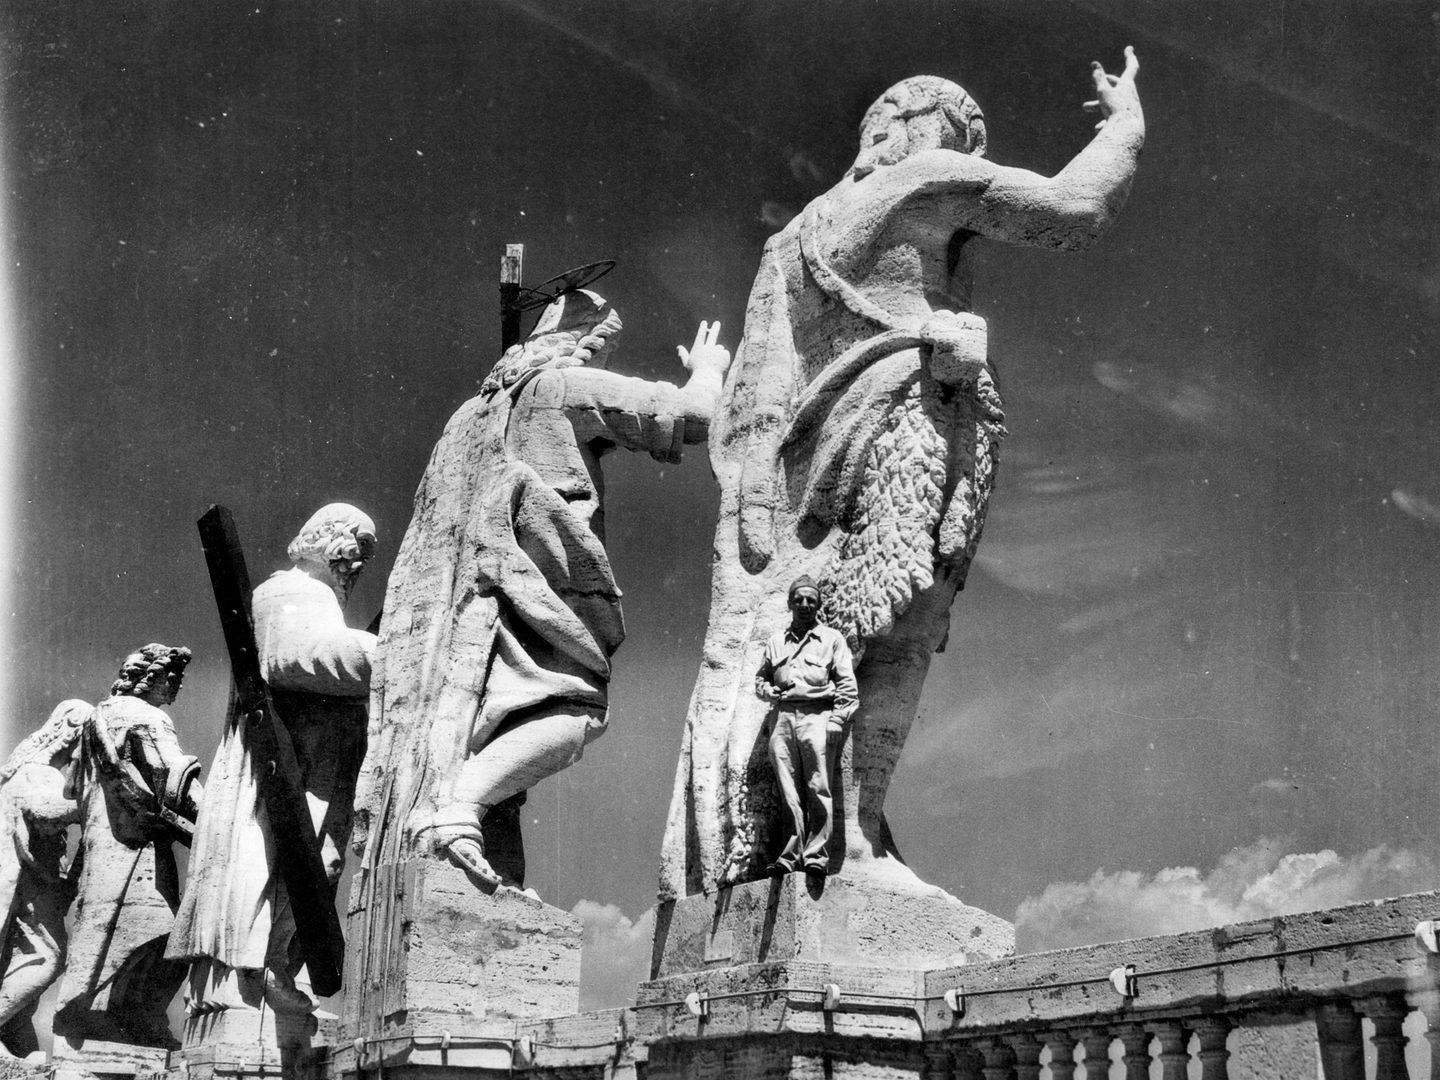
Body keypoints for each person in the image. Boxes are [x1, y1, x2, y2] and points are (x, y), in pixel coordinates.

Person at [661, 51, 1145, 896]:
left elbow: (759, 393)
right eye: (962, 133)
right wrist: (1126, 122)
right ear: (924, 126)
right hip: (911, 411)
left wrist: (755, 504)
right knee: (902, 623)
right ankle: (851, 834)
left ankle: (817, 829)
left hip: (817, 450)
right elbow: (1076, 209)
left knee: (840, 627)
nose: (967, 154)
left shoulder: (791, 239)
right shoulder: (926, 178)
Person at [353, 289, 731, 892]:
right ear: (586, 343)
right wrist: (708, 371)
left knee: (486, 725)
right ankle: (455, 810)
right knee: (576, 709)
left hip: (463, 594)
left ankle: (460, 825)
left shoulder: (468, 416)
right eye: (604, 349)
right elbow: (692, 417)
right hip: (535, 583)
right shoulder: (560, 385)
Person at [168, 505, 377, 1015]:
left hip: (313, 762)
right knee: (270, 857)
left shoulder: (317, 596)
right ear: (326, 538)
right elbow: (294, 655)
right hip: (278, 763)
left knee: (316, 865)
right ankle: (256, 972)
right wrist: (391, 656)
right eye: (356, 547)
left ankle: (278, 968)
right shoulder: (288, 591)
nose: (358, 564)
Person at [54, 645, 203, 1049]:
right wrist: (214, 819)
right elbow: (171, 774)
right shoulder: (148, 716)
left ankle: (109, 1017)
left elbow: (71, 788)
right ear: (148, 678)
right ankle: (122, 1018)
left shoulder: (95, 718)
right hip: (138, 847)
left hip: (101, 845)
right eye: (171, 677)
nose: (176, 685)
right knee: (167, 931)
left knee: (115, 926)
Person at [0, 700, 86, 1059]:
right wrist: (93, 801)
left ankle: (14, 1036)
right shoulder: (40, 772)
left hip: (32, 883)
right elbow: (44, 813)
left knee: (24, 957)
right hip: (28, 884)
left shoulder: (30, 770)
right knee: (48, 956)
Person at [755, 577, 858, 876]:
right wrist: (767, 691)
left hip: (817, 715)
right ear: (790, 603)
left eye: (811, 600)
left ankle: (815, 857)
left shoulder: (831, 639)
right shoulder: (776, 642)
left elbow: (847, 685)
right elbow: (760, 678)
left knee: (818, 786)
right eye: (798, 599)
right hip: (782, 717)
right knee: (788, 790)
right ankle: (789, 857)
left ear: (818, 605)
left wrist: (838, 719)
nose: (804, 605)